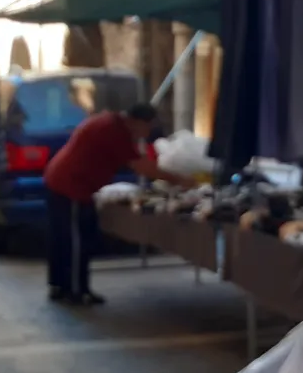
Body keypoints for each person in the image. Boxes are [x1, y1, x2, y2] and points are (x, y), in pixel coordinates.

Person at [43, 103, 197, 305]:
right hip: (70, 185)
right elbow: (141, 166)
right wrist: (180, 180)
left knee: (64, 238)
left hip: (64, 181)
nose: (147, 133)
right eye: (148, 127)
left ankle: (61, 286)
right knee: (75, 241)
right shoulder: (114, 131)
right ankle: (76, 290)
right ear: (138, 122)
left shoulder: (110, 122)